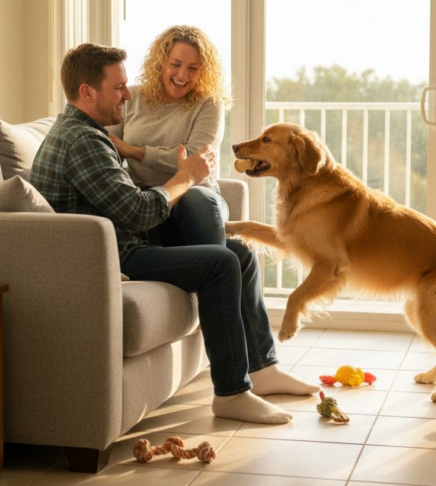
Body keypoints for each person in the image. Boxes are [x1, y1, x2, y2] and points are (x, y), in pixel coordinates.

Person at [30, 43, 317, 424]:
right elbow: (138, 210)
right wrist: (184, 178)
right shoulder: (84, 142)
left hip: (123, 242)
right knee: (221, 263)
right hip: (114, 256)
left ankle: (262, 369)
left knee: (241, 254)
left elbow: (130, 204)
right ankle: (231, 392)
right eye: (118, 88)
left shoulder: (86, 133)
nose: (128, 95)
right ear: (87, 92)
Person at [107, 25, 229, 247]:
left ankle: (214, 266)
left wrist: (135, 152)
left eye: (193, 68)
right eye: (175, 65)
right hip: (147, 202)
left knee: (196, 199)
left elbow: (194, 160)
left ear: (204, 71)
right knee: (243, 255)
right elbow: (109, 146)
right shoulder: (130, 97)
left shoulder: (209, 103)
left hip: (195, 198)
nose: (183, 75)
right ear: (160, 63)